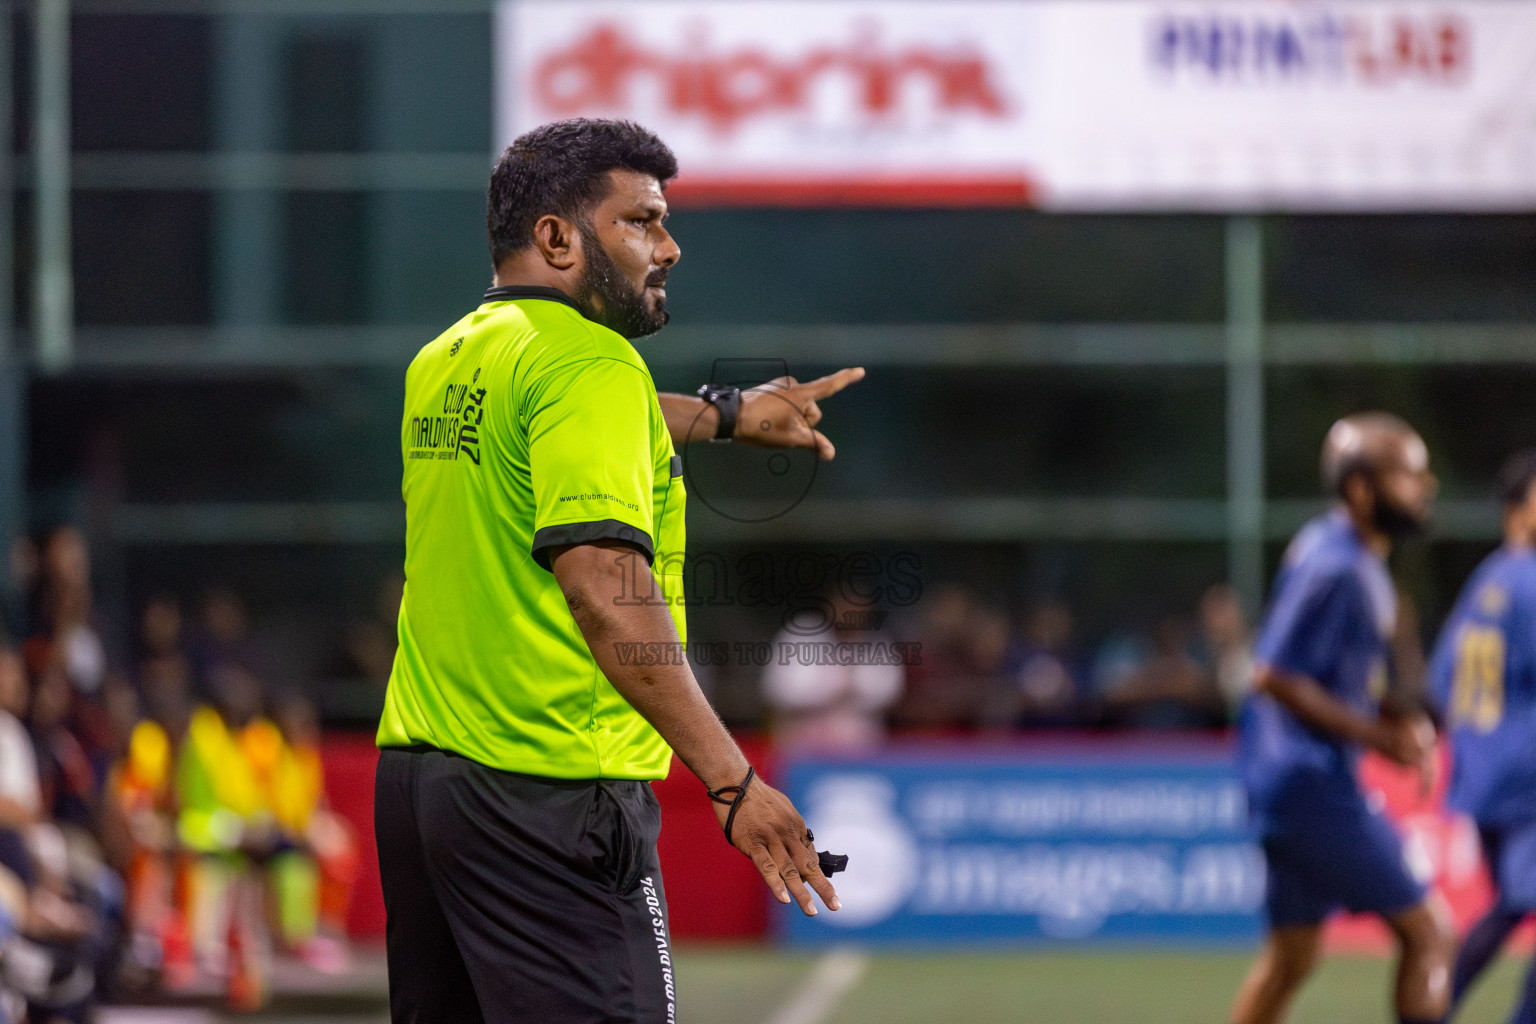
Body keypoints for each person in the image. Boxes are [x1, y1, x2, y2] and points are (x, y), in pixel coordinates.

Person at [373, 117, 862, 1024]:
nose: (668, 246)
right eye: (640, 221)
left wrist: (723, 413)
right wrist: (734, 784)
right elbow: (604, 592)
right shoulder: (593, 365)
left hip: (423, 787)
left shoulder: (445, 360)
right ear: (557, 237)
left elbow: (581, 423)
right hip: (551, 791)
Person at [1228, 413, 1455, 1024]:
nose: (1424, 486)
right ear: (1362, 488)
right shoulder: (1337, 565)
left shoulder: (1347, 556)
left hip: (1284, 781)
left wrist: (1392, 720)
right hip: (1310, 783)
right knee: (1430, 931)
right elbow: (1272, 673)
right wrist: (1379, 737)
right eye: (1408, 474)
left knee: (1291, 960)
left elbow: (1331, 679)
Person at [1428, 450, 1536, 1024]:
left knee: (1512, 907)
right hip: (1525, 776)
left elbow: (1441, 679)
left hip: (1484, 773)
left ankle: (1434, 1003)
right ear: (1517, 513)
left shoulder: (1488, 577)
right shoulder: (1531, 580)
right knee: (1519, 903)